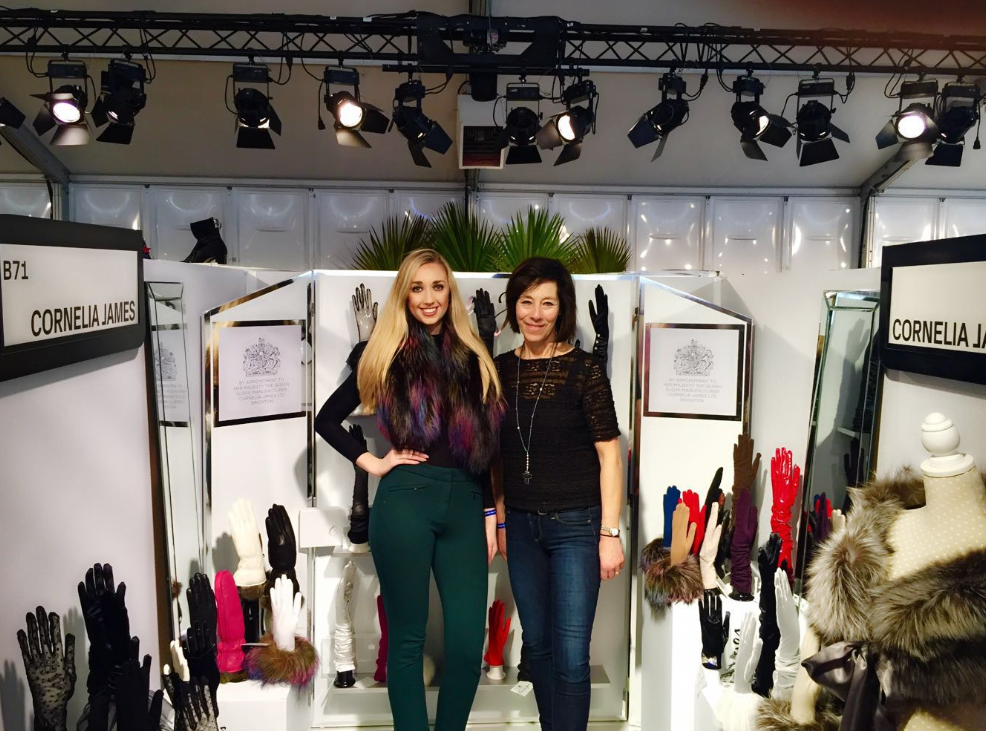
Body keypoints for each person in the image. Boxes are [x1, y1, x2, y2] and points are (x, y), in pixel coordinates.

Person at [314, 249, 504, 731]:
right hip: (405, 504)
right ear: (404, 294)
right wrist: (375, 463)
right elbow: (327, 420)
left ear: (450, 292)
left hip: (465, 503)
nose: (428, 298)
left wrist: (488, 515)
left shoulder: (473, 355)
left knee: (467, 646)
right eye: (417, 288)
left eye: (437, 286)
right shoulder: (384, 353)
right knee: (406, 642)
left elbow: (483, 446)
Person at [493, 257, 625, 731]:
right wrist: (501, 518)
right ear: (514, 306)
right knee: (539, 648)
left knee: (571, 656)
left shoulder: (584, 370)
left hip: (576, 526)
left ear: (562, 308)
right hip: (521, 527)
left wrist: (610, 533)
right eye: (526, 301)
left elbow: (610, 456)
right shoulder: (500, 370)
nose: (535, 313)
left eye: (547, 303)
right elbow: (496, 456)